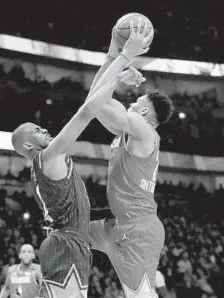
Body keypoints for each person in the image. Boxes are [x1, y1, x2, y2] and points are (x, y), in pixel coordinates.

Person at [11, 62, 142, 298]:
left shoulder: (47, 163)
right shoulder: (48, 156)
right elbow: (86, 111)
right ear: (29, 145)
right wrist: (117, 80)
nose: (45, 130)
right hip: (67, 243)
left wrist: (117, 57)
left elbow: (77, 209)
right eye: (38, 130)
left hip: (69, 241)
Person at [89, 19, 174, 298]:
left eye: (138, 104)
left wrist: (122, 60)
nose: (132, 103)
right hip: (118, 223)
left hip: (139, 232)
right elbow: (92, 102)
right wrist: (112, 56)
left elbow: (96, 102)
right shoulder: (126, 132)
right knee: (67, 232)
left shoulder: (143, 130)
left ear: (148, 114)